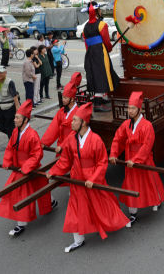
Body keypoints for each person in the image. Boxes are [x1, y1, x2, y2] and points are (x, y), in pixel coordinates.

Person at [47, 103, 130, 252]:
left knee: (102, 203)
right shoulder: (72, 139)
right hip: (77, 178)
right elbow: (65, 160)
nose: (71, 123)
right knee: (75, 207)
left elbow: (102, 163)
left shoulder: (96, 140)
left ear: (84, 123)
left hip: (92, 177)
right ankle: (78, 240)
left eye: (75, 120)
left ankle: (118, 221)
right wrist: (54, 171)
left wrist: (93, 179)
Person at [0, 100, 56, 237]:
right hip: (19, 168)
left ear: (25, 120)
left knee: (37, 190)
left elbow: (37, 154)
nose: (14, 120)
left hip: (30, 168)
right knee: (20, 192)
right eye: (15, 117)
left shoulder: (32, 134)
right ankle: (21, 223)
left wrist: (27, 166)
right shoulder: (15, 132)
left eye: (17, 117)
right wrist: (7, 161)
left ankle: (50, 202)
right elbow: (10, 148)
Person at [109, 92, 164, 223]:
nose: (130, 111)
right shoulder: (126, 125)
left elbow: (147, 145)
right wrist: (113, 154)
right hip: (130, 158)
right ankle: (132, 212)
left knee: (149, 181)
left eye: (132, 108)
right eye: (129, 108)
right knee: (131, 183)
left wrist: (135, 160)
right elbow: (118, 139)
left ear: (139, 110)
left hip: (143, 158)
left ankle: (156, 201)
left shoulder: (147, 125)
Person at [82, 2, 120, 112]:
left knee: (95, 74)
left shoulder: (85, 27)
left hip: (90, 52)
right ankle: (98, 104)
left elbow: (86, 43)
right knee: (102, 74)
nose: (101, 12)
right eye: (100, 10)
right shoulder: (101, 24)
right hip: (100, 51)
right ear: (97, 11)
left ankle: (101, 98)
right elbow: (107, 41)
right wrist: (108, 49)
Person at [41, 74, 82, 159]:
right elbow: (53, 128)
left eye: (65, 98)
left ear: (72, 99)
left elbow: (74, 133)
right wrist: (44, 142)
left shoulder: (78, 113)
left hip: (73, 144)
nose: (63, 100)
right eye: (63, 97)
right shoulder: (61, 111)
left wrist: (63, 145)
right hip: (61, 142)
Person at [0, 66, 20, 138]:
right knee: (1, 127)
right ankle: (14, 137)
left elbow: (15, 96)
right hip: (0, 108)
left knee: (9, 127)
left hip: (9, 108)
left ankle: (12, 141)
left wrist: (17, 110)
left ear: (5, 73)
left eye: (1, 72)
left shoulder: (10, 82)